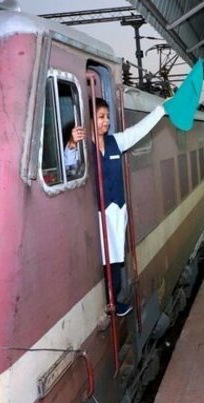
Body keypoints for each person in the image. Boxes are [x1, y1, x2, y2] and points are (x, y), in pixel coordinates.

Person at [71, 98, 166, 317]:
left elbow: (139, 130)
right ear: (89, 119)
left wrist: (160, 110)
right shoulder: (84, 148)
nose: (106, 122)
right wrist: (72, 144)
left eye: (107, 117)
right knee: (104, 259)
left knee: (114, 258)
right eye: (101, 117)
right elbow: (69, 164)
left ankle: (114, 299)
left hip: (117, 210)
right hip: (98, 213)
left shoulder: (116, 142)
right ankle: (109, 299)